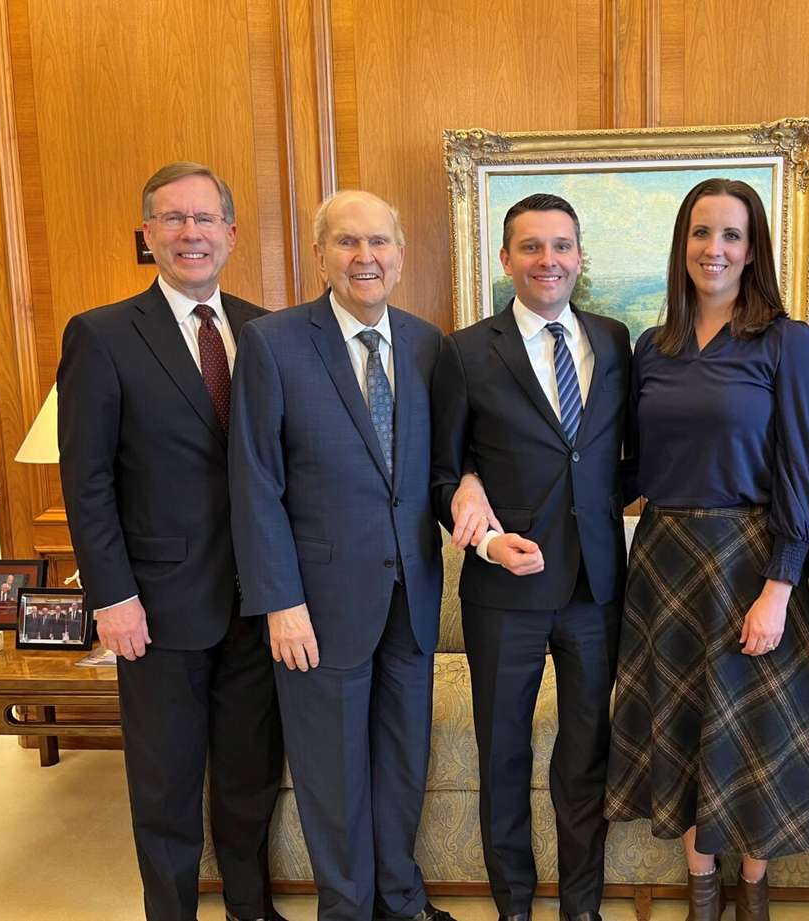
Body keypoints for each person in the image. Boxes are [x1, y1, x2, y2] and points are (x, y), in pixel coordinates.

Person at [604, 179, 809, 921]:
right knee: (681, 725)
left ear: (752, 248)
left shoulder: (786, 340)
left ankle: (754, 892)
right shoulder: (653, 345)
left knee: (755, 733)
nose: (715, 248)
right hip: (665, 557)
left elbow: (804, 472)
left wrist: (781, 584)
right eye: (701, 233)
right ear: (683, 246)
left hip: (750, 560)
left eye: (731, 234)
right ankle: (701, 893)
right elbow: (631, 469)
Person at [58, 161, 285, 921]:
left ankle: (250, 908)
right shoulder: (101, 335)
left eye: (204, 219)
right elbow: (87, 481)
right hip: (154, 609)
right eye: (173, 219)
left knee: (250, 777)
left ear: (229, 231)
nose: (191, 233)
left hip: (258, 602)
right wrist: (112, 596)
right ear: (148, 233)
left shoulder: (267, 330)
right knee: (166, 786)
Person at [230, 190, 452, 921]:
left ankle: (401, 899)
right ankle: (348, 909)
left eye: (379, 242)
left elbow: (438, 470)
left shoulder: (426, 343)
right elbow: (256, 480)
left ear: (399, 253)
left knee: (401, 764)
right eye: (348, 243)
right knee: (333, 773)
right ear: (319, 255)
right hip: (316, 607)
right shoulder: (274, 343)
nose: (366, 257)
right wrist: (279, 602)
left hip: (411, 598)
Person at [431, 193, 630, 921]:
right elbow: (443, 474)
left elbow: (623, 460)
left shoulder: (613, 342)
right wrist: (482, 530)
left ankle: (582, 904)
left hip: (594, 586)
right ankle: (513, 903)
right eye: (532, 247)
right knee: (505, 754)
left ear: (580, 256)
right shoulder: (464, 350)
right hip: (503, 590)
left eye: (562, 246)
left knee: (585, 758)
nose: (549, 260)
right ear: (507, 258)